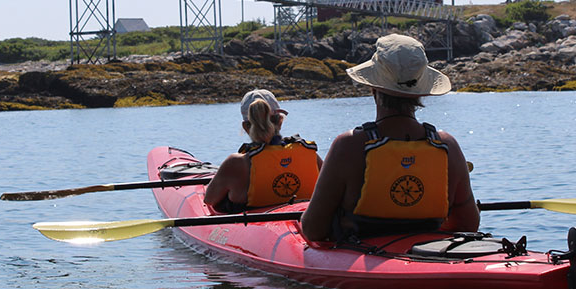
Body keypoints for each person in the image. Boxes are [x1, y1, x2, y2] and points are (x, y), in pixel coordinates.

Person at [301, 34, 479, 241]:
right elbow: (468, 224)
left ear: (373, 88)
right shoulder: (446, 145)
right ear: (420, 93)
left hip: (363, 253)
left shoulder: (348, 145)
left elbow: (313, 229)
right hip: (428, 253)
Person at [204, 89, 322, 213]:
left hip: (253, 226)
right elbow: (333, 188)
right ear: (280, 121)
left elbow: (209, 200)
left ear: (245, 126)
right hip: (305, 221)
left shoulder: (236, 163)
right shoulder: (309, 153)